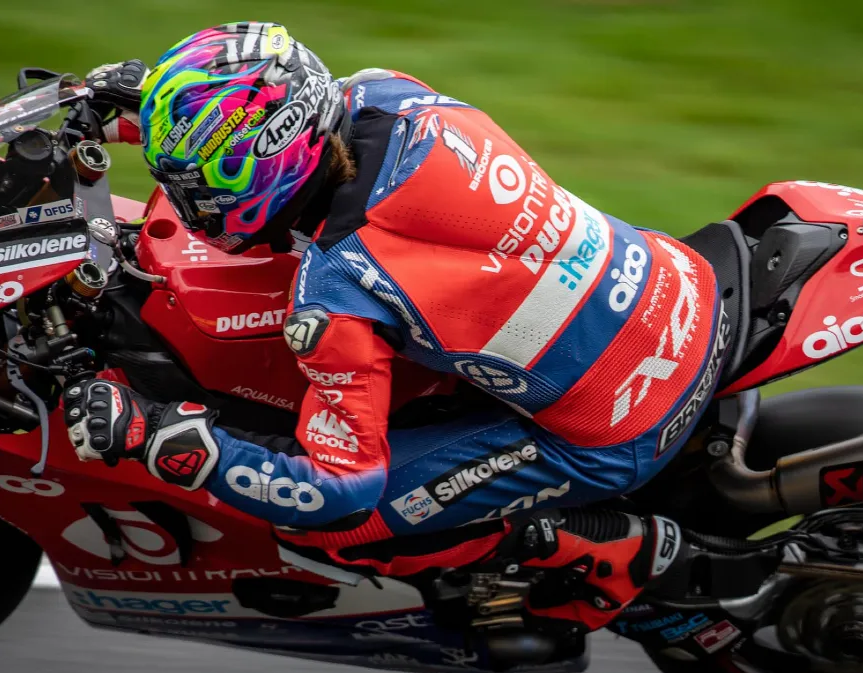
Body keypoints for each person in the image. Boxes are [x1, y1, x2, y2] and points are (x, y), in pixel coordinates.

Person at [64, 22, 728, 635]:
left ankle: (604, 555)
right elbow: (274, 110)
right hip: (674, 282)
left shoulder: (339, 292)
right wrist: (146, 112)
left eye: (199, 188)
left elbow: (338, 490)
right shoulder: (391, 94)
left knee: (331, 530)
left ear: (261, 168)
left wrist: (163, 436)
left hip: (623, 420)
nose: (192, 206)